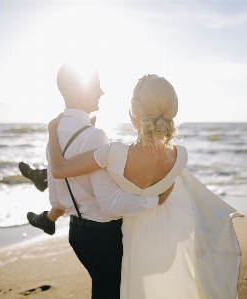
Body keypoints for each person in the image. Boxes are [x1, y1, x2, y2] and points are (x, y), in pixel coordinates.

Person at [46, 74, 242, 298]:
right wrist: (157, 199)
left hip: (129, 246)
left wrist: (53, 130)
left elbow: (60, 169)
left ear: (134, 113)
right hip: (163, 244)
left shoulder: (114, 154)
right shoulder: (181, 157)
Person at [27, 62, 173, 299]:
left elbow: (57, 198)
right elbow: (110, 204)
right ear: (75, 89)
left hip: (76, 234)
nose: (102, 92)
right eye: (95, 86)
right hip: (104, 238)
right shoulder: (95, 136)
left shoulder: (55, 134)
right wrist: (155, 200)